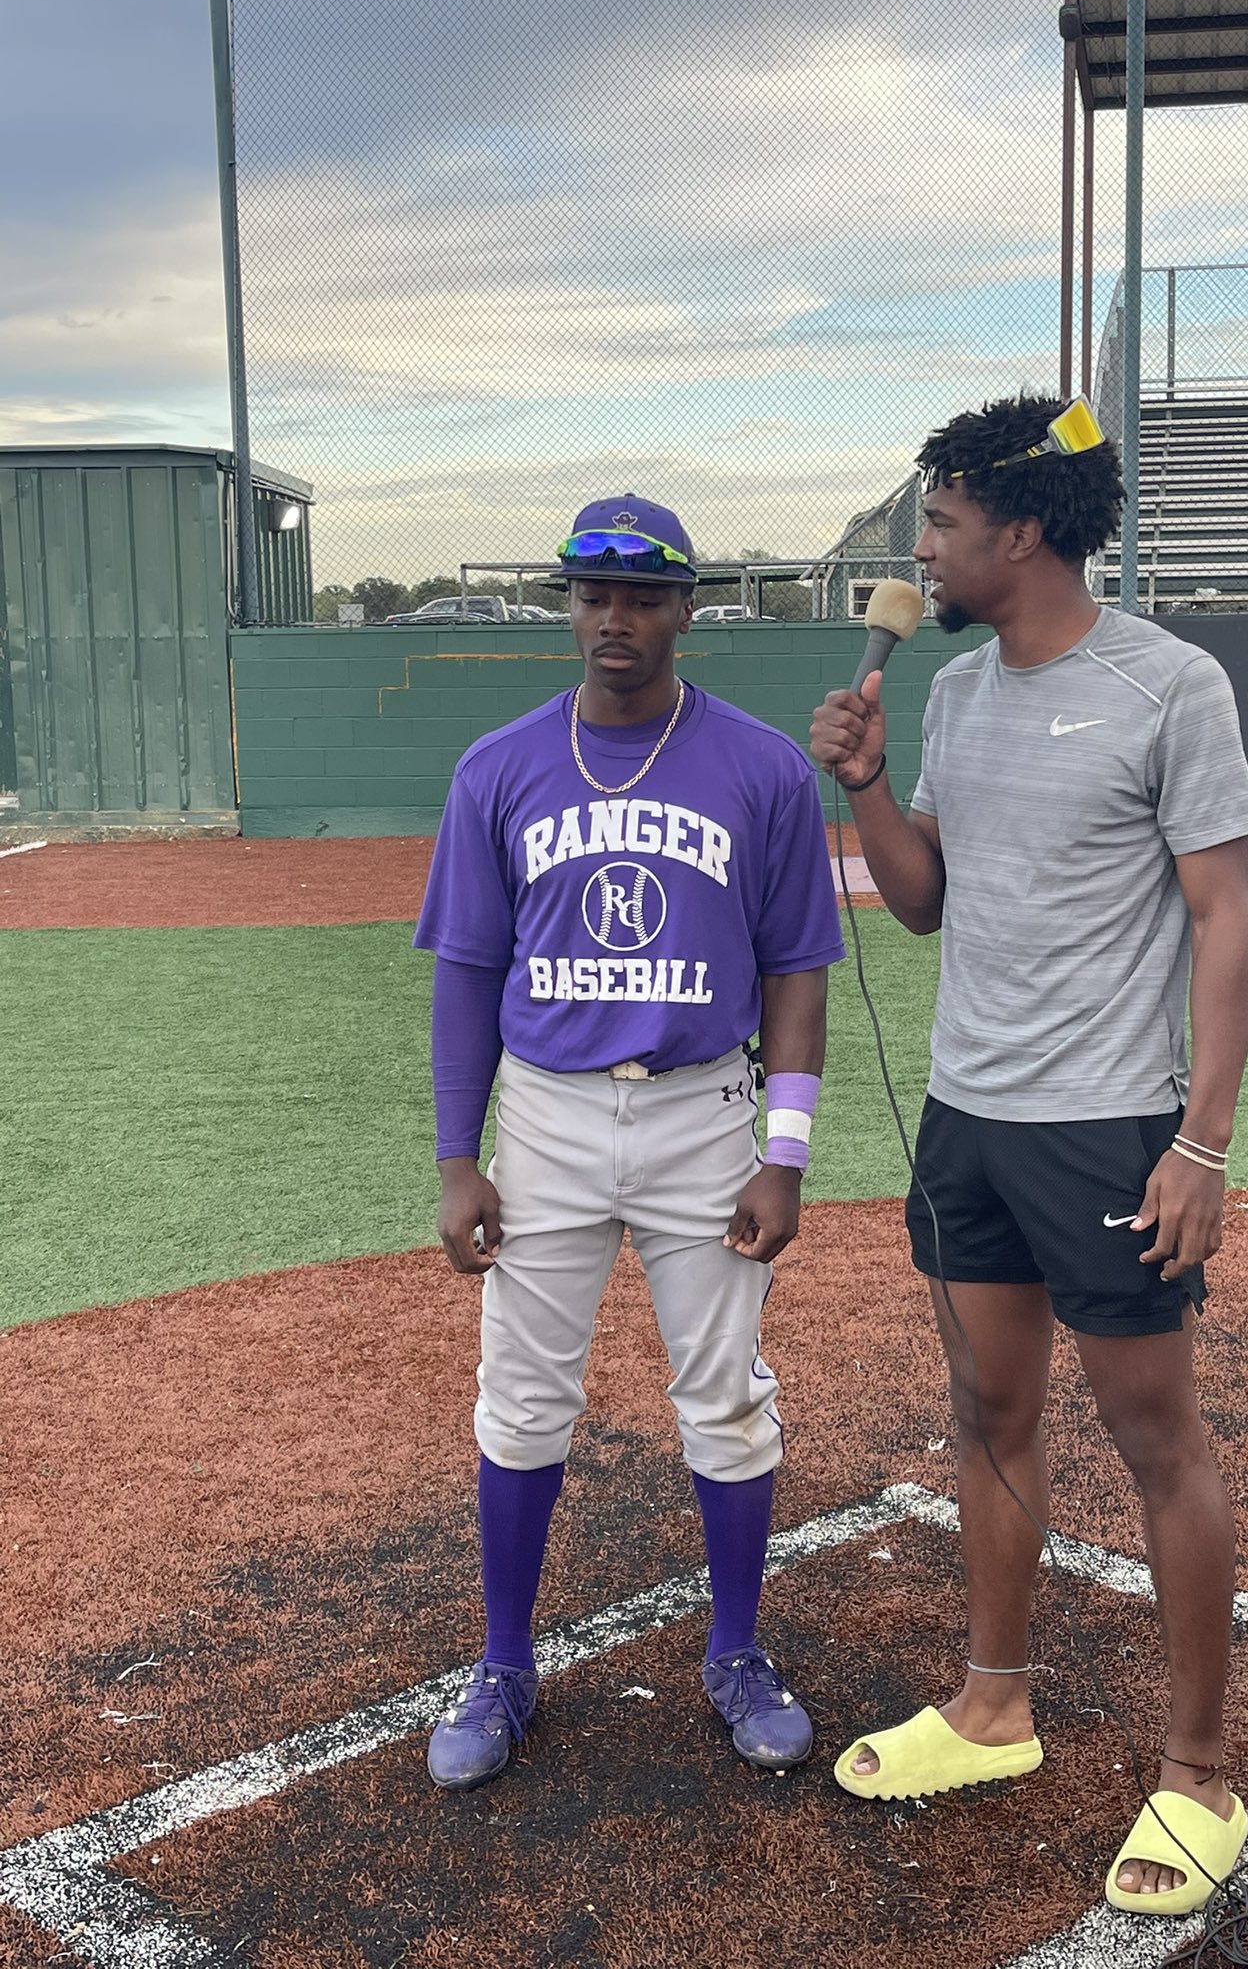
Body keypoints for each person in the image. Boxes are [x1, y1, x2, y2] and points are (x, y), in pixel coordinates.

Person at [808, 395, 1248, 1918]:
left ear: (1018, 529)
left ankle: (1199, 1770)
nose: (919, 548)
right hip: (970, 1114)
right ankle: (993, 1704)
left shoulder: (1168, 686)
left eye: (938, 523)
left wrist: (1202, 1140)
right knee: (988, 1403)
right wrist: (868, 782)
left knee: (1155, 1436)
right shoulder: (956, 696)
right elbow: (924, 902)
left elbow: (1224, 918)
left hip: (1113, 1126)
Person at [415, 495, 845, 1791]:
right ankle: (502, 1663)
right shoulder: (498, 767)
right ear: (570, 606)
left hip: (703, 1110)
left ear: (685, 608)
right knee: (524, 1396)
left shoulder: (761, 766)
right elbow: (467, 973)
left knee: (723, 1393)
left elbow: (799, 973)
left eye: (645, 596)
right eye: (594, 597)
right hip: (544, 1115)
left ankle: (734, 1653)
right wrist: (456, 1155)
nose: (617, 619)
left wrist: (788, 1152)